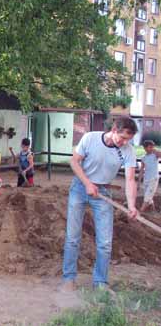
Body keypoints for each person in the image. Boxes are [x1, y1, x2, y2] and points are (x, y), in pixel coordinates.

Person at [61, 117, 139, 292]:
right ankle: (68, 278)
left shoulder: (128, 151)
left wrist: (132, 206)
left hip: (103, 192)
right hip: (80, 188)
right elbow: (74, 161)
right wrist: (88, 183)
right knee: (72, 238)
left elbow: (130, 179)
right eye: (123, 137)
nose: (124, 142)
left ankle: (100, 282)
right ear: (114, 129)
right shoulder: (90, 138)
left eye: (128, 139)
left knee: (104, 242)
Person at [139, 140, 161, 212]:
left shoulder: (155, 155)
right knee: (148, 196)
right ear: (145, 148)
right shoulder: (144, 158)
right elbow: (141, 170)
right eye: (150, 147)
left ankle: (140, 211)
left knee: (147, 196)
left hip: (154, 179)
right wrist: (138, 182)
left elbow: (160, 154)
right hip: (146, 179)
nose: (152, 148)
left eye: (152, 147)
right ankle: (153, 210)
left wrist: (155, 150)